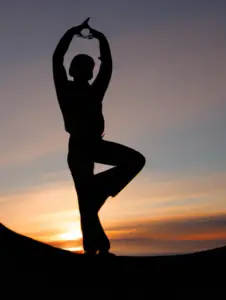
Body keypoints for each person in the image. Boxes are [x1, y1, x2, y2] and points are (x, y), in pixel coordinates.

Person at [52, 18, 146, 256]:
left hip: (94, 145)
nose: (87, 70)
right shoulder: (66, 89)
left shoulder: (95, 90)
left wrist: (101, 40)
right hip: (79, 147)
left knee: (135, 161)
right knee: (87, 204)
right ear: (74, 70)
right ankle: (97, 250)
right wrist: (72, 33)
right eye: (82, 66)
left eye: (89, 66)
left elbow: (107, 67)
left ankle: (98, 191)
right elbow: (57, 59)